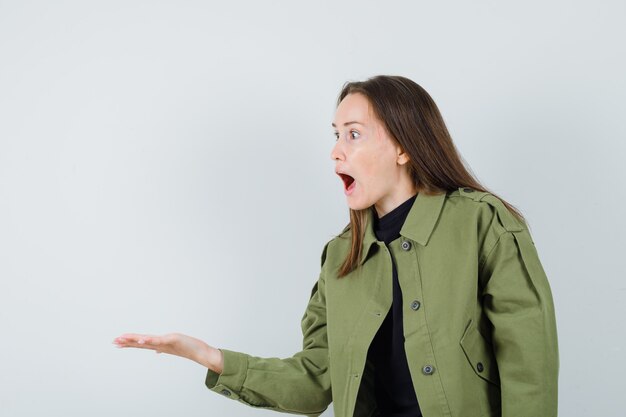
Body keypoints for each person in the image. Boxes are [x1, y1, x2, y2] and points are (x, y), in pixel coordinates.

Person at [113, 75, 559, 417]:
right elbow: (316, 379)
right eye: (335, 134)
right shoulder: (340, 257)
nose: (335, 151)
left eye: (354, 133)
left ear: (403, 146)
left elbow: (528, 365)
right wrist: (208, 357)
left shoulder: (481, 222)